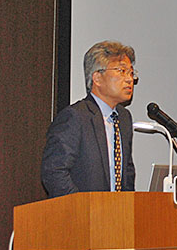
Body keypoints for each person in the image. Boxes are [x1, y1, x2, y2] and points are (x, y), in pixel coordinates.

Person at [41, 40, 138, 197]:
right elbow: (54, 171)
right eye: (121, 71)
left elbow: (127, 173)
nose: (129, 79)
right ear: (97, 78)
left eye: (131, 73)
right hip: (84, 211)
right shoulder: (76, 117)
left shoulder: (124, 118)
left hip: (117, 210)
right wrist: (81, 206)